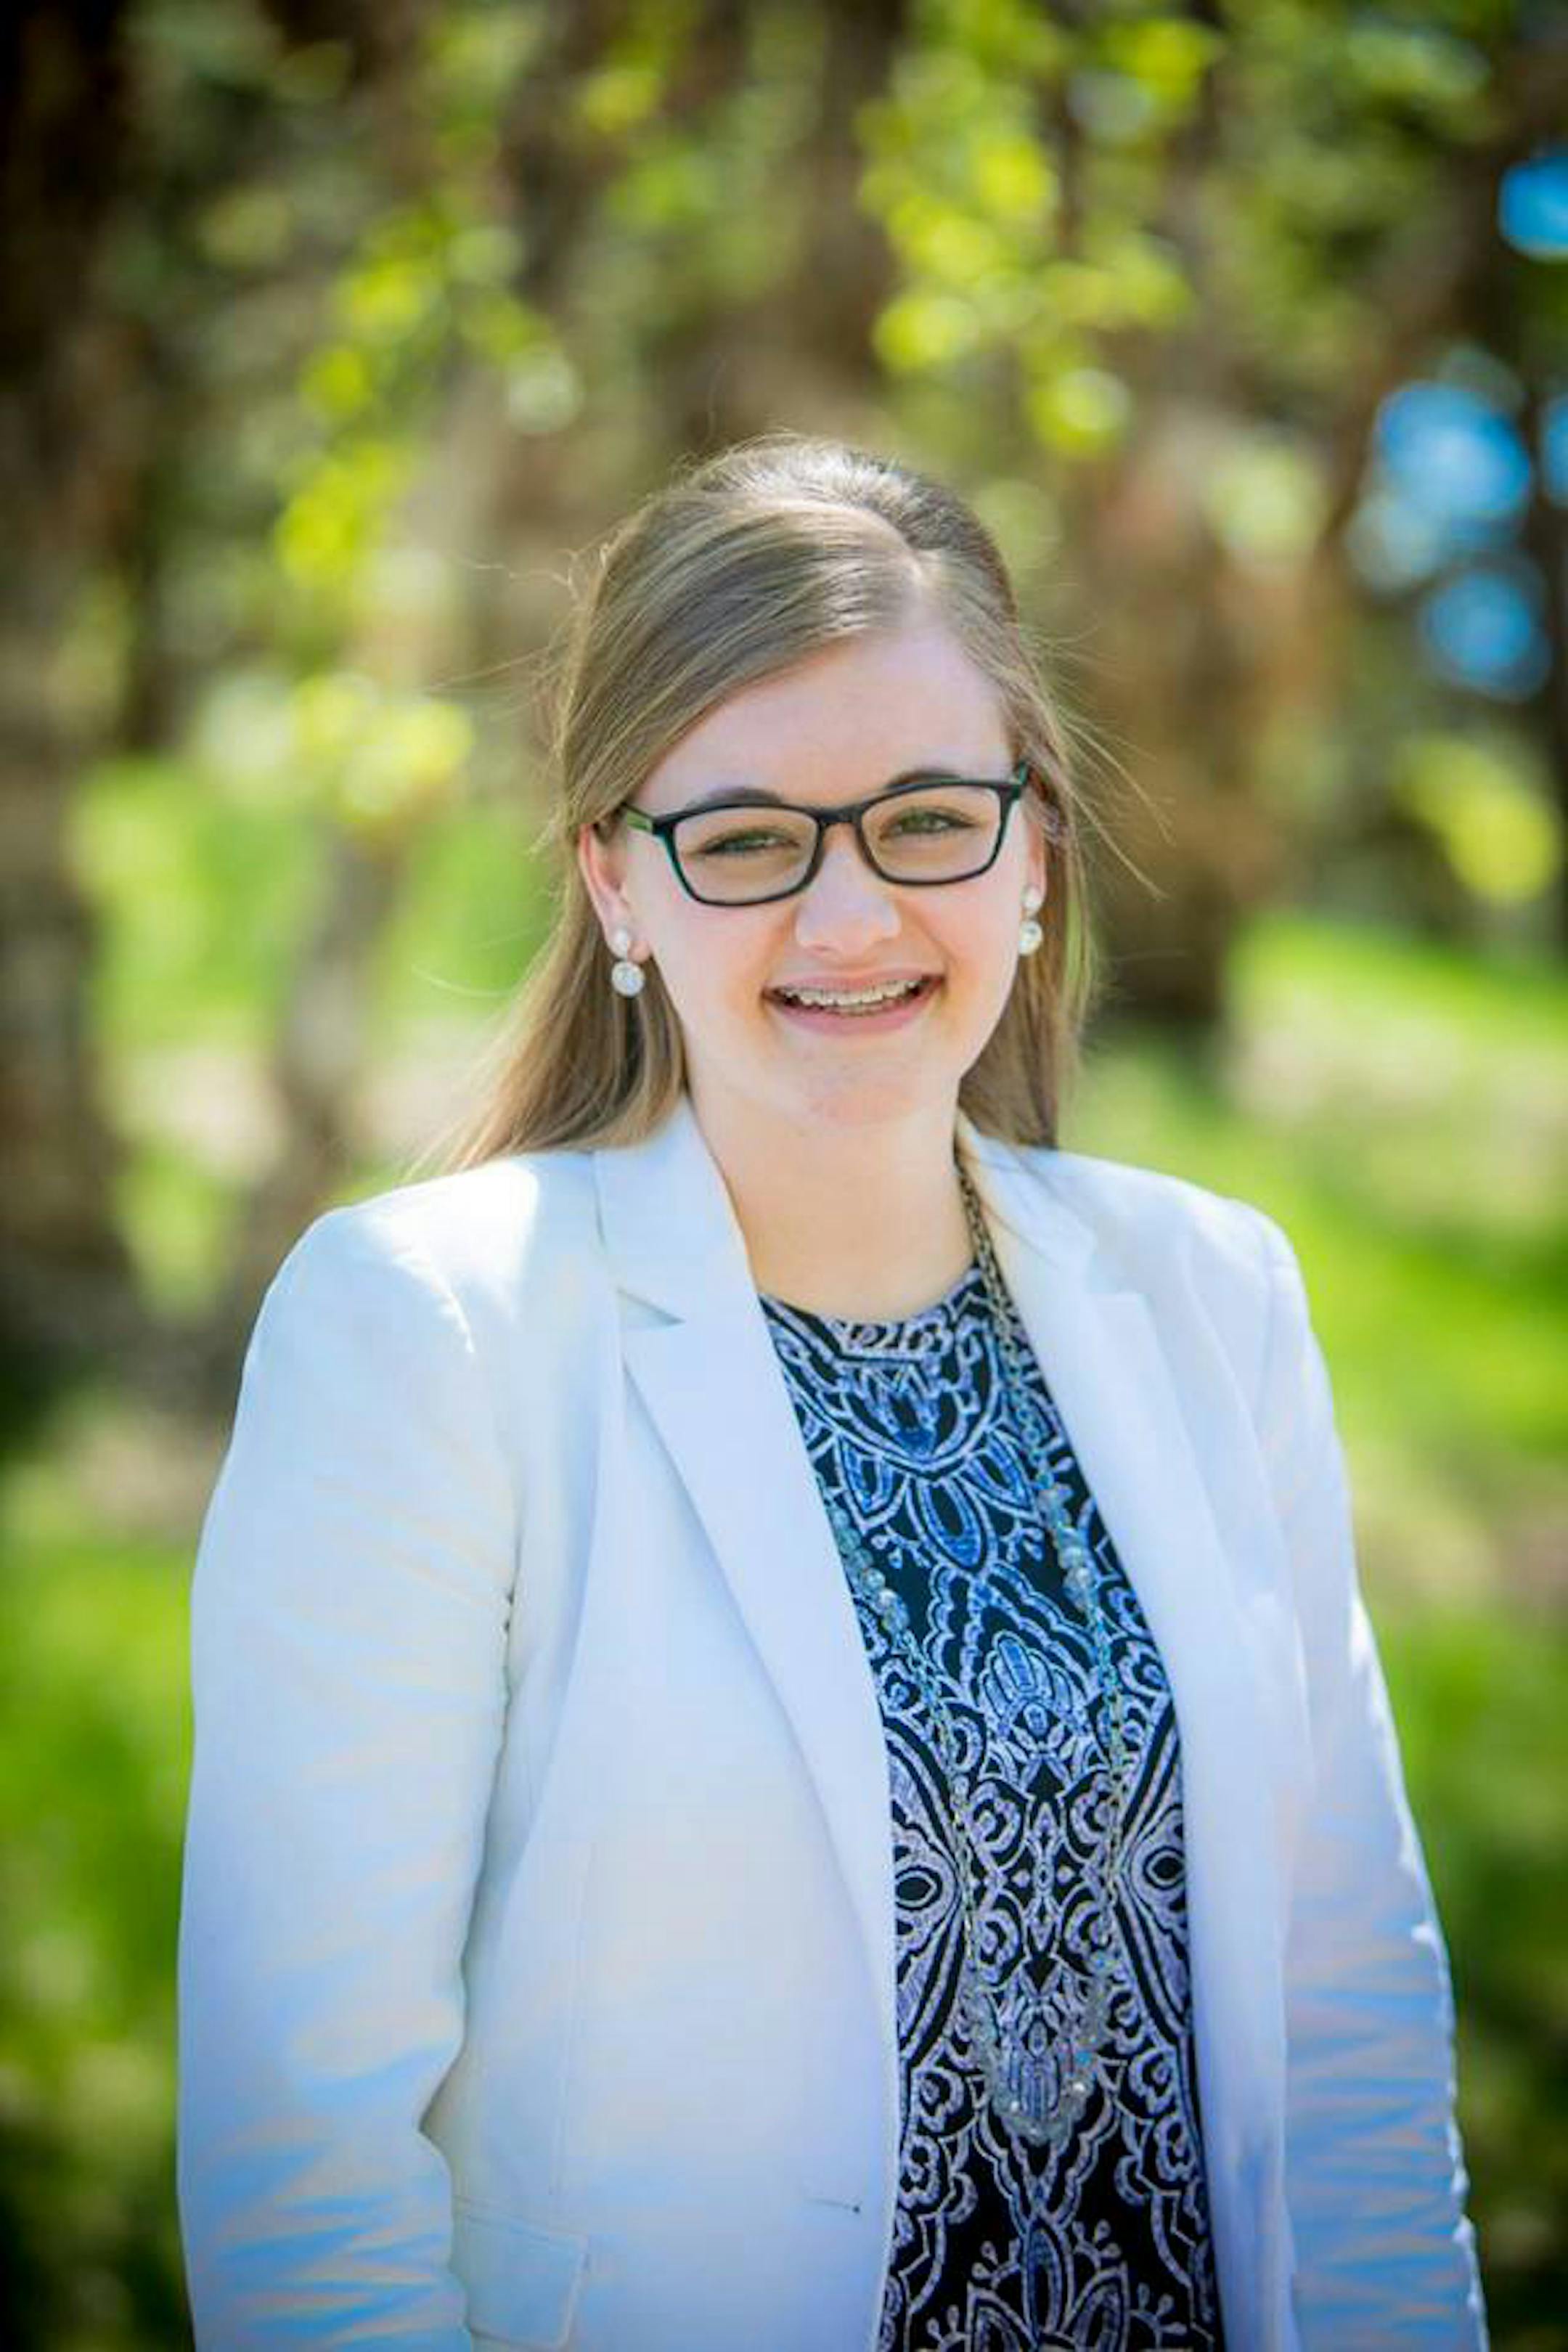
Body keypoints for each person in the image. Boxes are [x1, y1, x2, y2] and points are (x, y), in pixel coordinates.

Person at [176, 433, 1487, 2352]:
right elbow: (307, 2169)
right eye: (750, 839)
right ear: (616, 883)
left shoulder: (1215, 1298)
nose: (851, 915)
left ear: (1031, 848)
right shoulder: (431, 1334)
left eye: (926, 819)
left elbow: (1355, 2032)